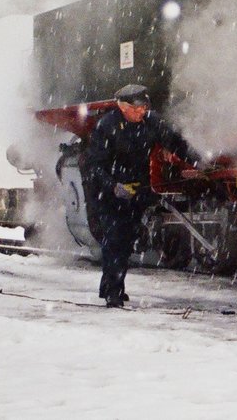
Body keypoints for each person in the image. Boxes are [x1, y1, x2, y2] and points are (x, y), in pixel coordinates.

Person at [84, 83, 197, 306]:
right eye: (136, 109)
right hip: (109, 192)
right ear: (122, 107)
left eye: (144, 108)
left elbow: (175, 142)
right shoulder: (106, 127)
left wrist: (196, 163)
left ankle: (110, 285)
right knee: (115, 239)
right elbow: (95, 166)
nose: (141, 113)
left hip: (137, 190)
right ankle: (113, 294)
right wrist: (113, 186)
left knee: (125, 241)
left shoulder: (151, 121)